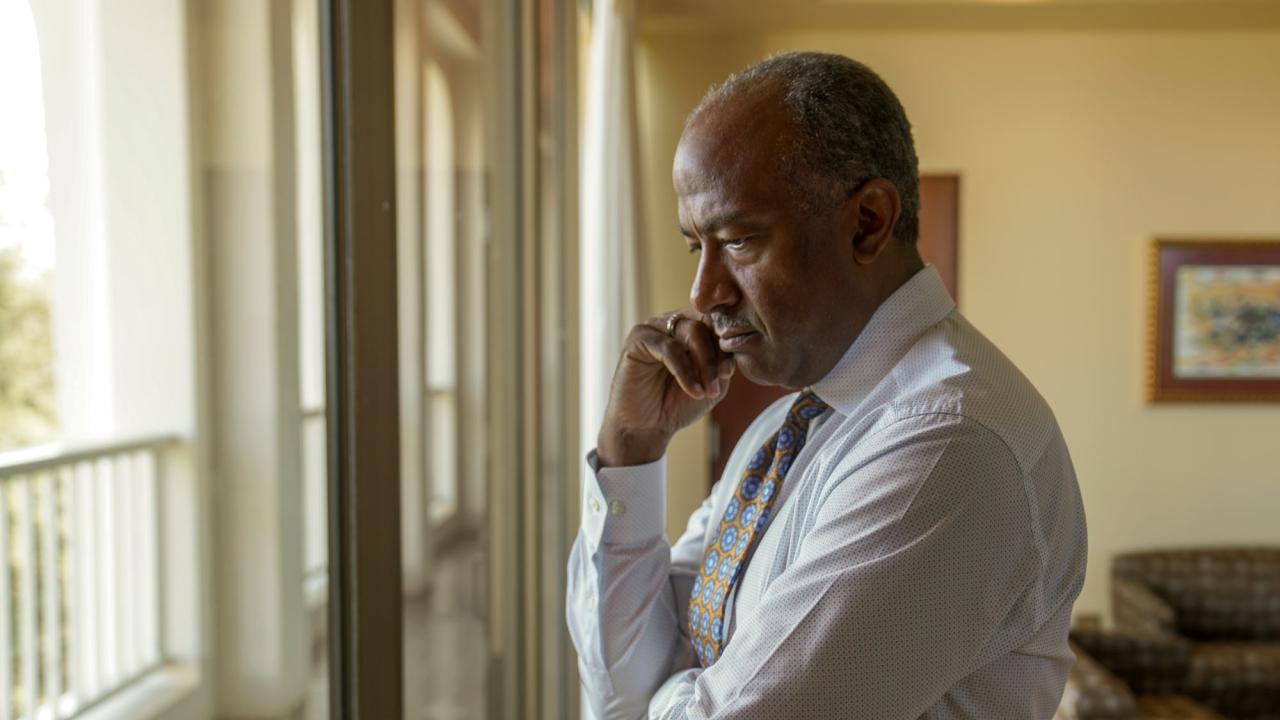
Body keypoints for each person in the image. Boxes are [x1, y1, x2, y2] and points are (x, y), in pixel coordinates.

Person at [566, 51, 1087, 719]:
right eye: (699, 247)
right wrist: (629, 451)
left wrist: (679, 689)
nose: (704, 294)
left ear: (867, 222)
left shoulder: (946, 444)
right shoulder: (790, 427)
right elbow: (617, 688)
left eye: (741, 240)